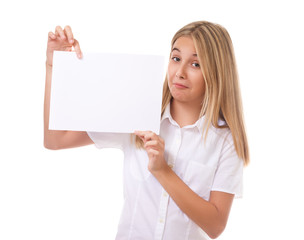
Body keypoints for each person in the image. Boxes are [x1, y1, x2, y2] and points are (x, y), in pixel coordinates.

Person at [44, 21, 249, 240]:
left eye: (196, 64)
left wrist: (163, 170)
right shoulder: (136, 115)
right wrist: (53, 67)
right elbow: (55, 139)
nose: (180, 73)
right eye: (176, 58)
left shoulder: (226, 141)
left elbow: (215, 225)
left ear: (217, 72)